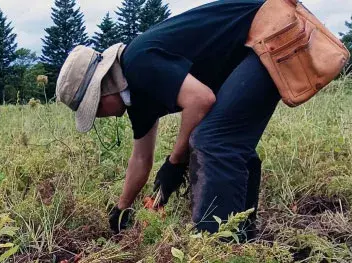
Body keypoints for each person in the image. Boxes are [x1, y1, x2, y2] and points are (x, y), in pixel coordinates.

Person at [56, 0, 281, 239]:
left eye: (97, 108)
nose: (102, 116)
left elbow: (200, 100)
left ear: (104, 87)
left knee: (212, 142)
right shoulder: (137, 99)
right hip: (257, 44)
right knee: (226, 141)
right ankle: (241, 236)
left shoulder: (138, 63)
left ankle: (218, 248)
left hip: (273, 29)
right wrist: (122, 208)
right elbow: (141, 158)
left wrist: (175, 162)